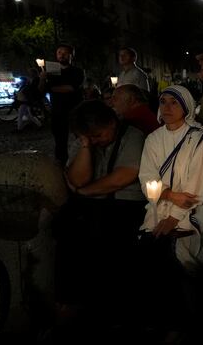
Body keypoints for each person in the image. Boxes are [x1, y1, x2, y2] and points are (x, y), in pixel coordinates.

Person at [138, 85, 203, 345]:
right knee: (150, 257)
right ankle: (161, 318)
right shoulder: (153, 139)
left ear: (186, 107)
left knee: (174, 260)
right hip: (156, 209)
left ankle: (180, 325)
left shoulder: (198, 139)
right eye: (163, 102)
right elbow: (147, 179)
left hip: (188, 214)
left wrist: (175, 215)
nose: (167, 108)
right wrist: (170, 196)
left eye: (174, 103)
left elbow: (195, 187)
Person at [56, 99, 146, 319]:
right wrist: (86, 146)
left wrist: (85, 192)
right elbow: (78, 179)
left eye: (98, 135)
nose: (96, 141)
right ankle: (73, 299)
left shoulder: (133, 136)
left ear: (112, 123)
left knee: (104, 233)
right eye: (90, 137)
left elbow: (123, 177)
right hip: (92, 202)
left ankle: (109, 305)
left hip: (124, 202)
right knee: (64, 230)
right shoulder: (86, 138)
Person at [40, 43, 84, 164]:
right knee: (60, 140)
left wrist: (51, 88)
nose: (62, 55)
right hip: (58, 111)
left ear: (71, 55)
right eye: (59, 52)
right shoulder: (51, 72)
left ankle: (83, 160)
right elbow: (41, 90)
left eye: (65, 53)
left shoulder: (77, 71)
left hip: (75, 109)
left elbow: (71, 88)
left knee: (81, 137)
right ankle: (61, 163)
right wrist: (42, 79)